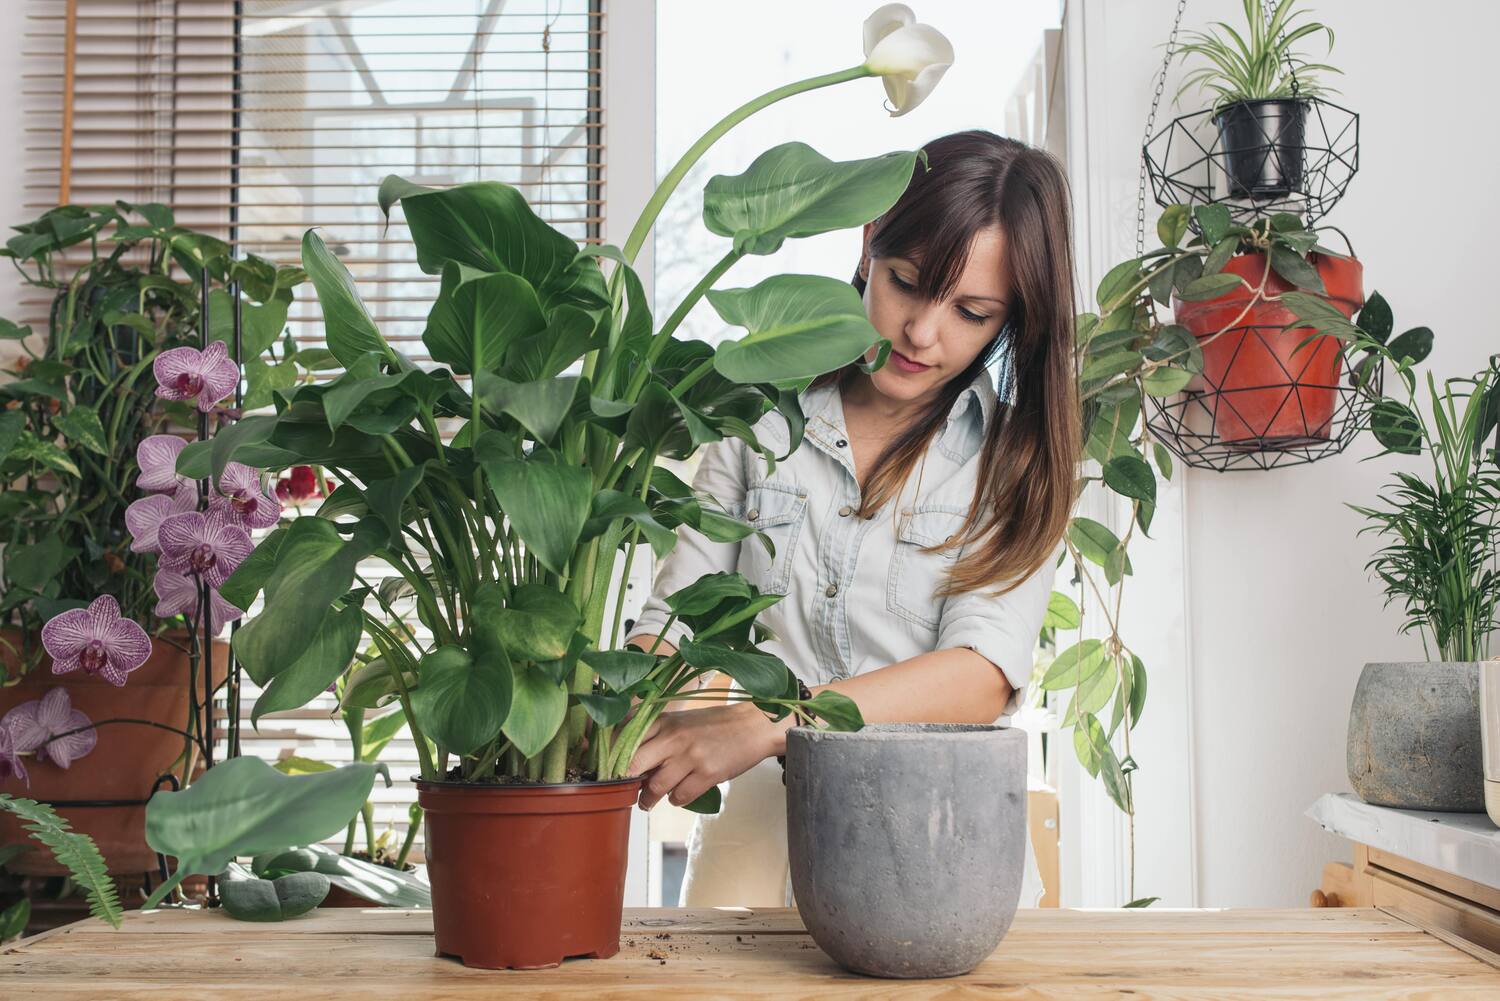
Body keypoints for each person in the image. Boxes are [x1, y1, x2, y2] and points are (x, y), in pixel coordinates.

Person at [625, 129, 1080, 907]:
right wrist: (614, 706)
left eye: (971, 312)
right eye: (907, 282)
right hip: (762, 835)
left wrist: (774, 722)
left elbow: (978, 675)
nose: (924, 334)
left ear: (1010, 320)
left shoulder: (1014, 458)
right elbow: (680, 620)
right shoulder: (760, 414)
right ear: (870, 243)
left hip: (946, 844)